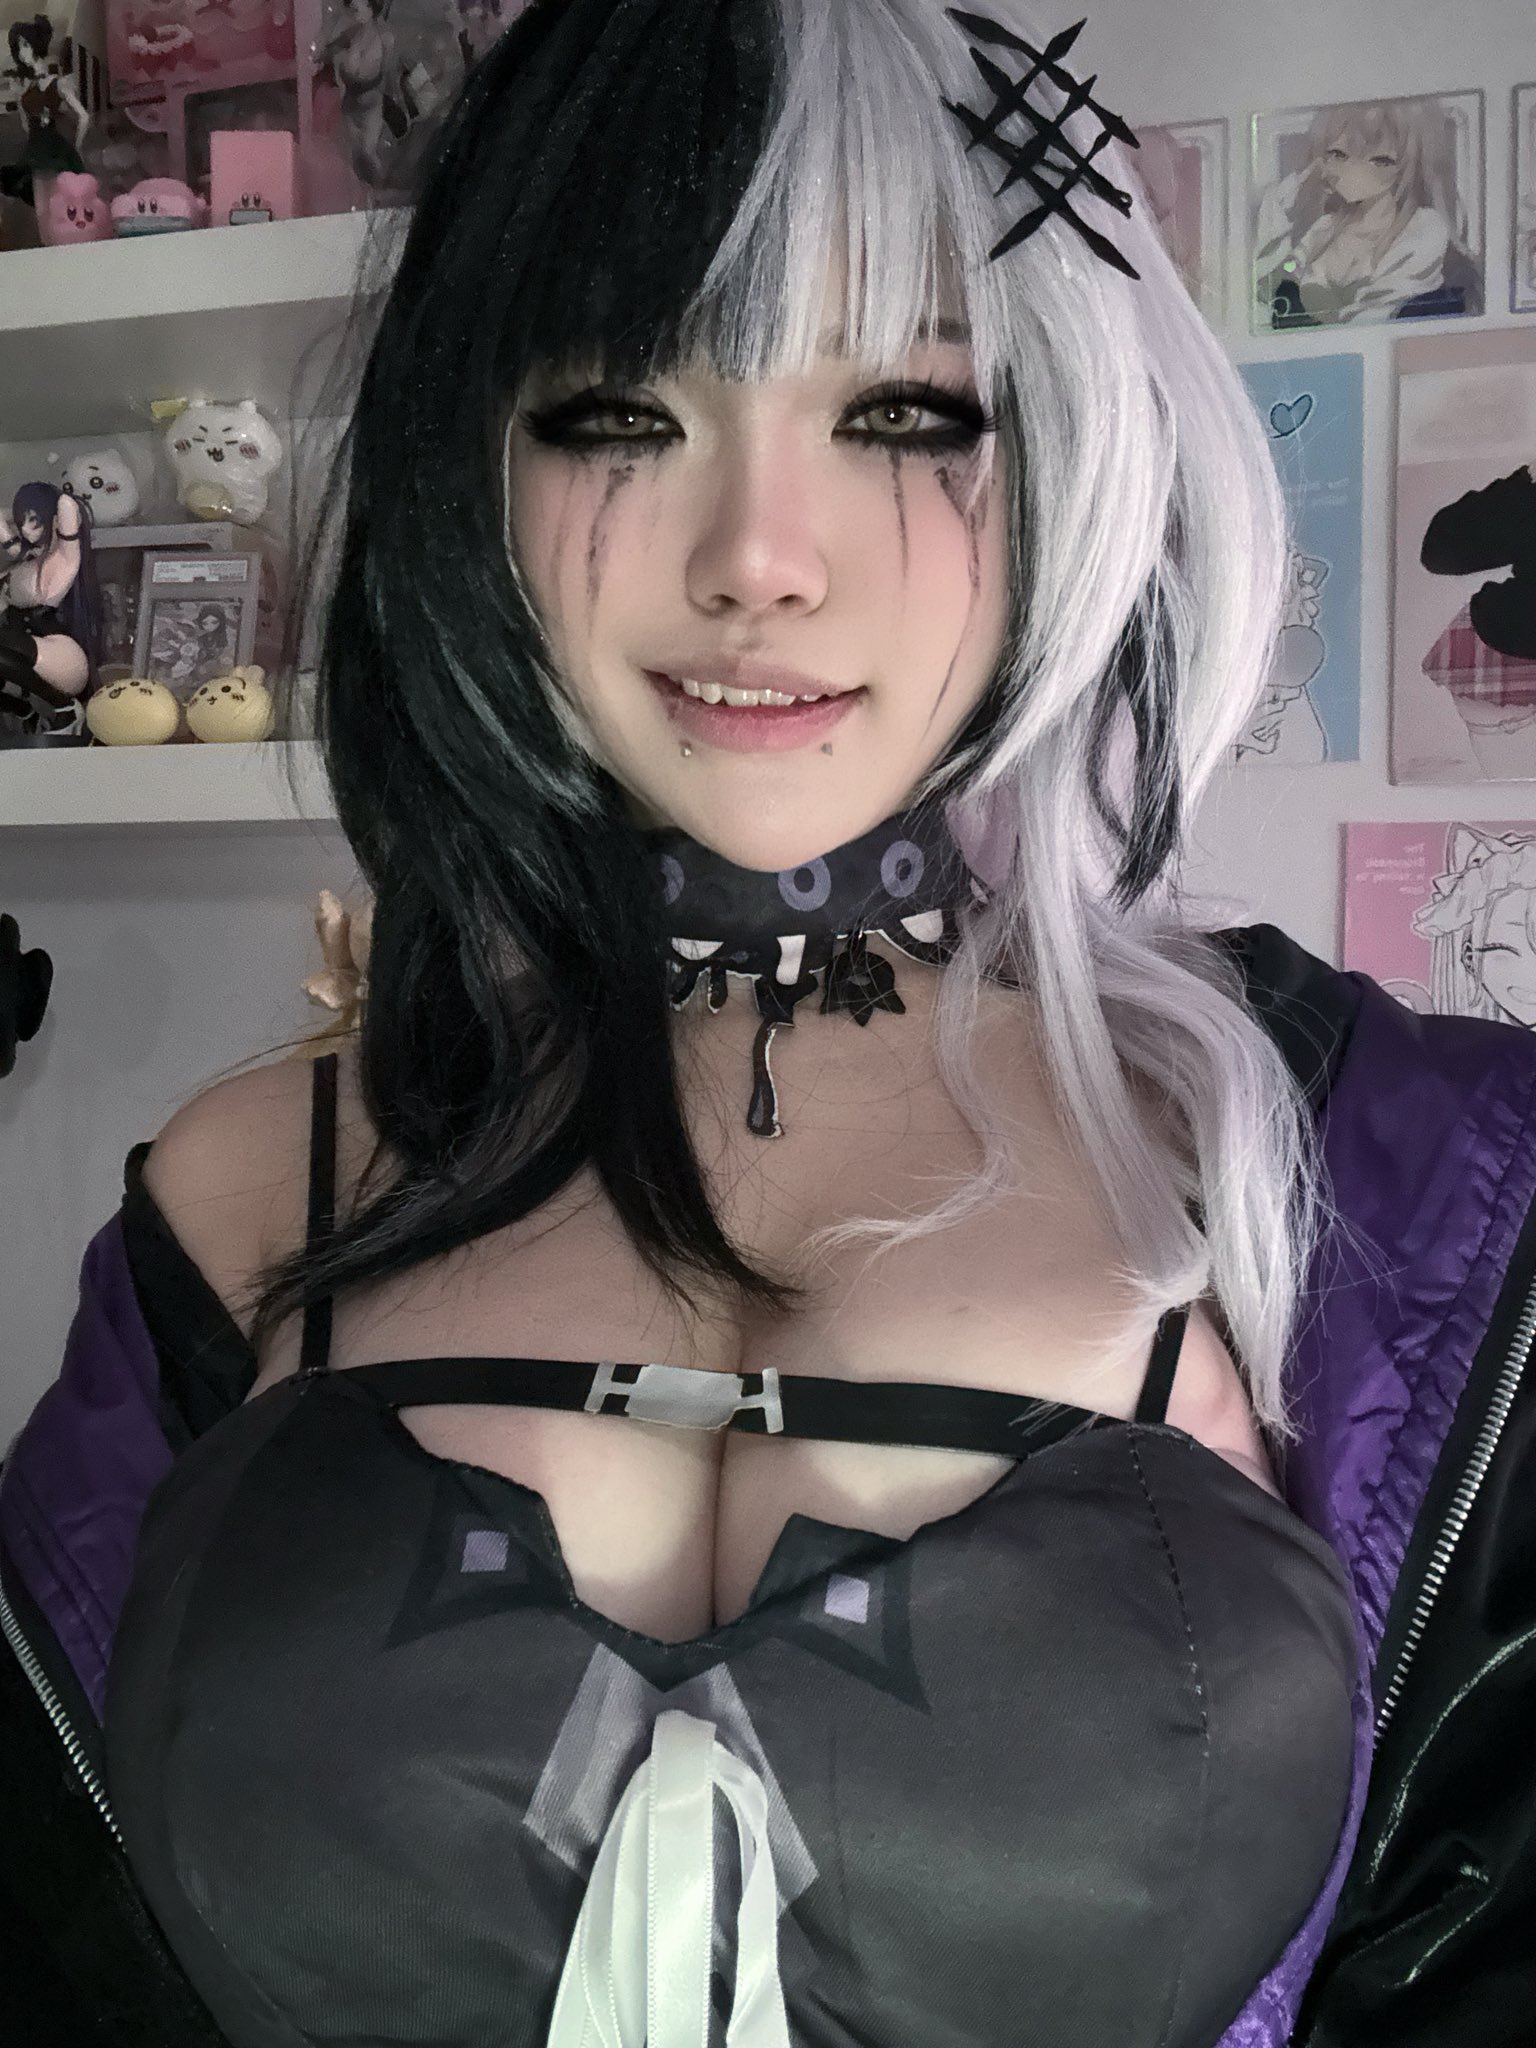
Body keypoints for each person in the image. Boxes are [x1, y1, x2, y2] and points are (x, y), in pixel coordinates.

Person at [1, 3, 1533, 2043]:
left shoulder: (1403, 1193)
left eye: (902, 409)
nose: (757, 563)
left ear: (1072, 435)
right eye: (618, 409)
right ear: (478, 455)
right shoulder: (235, 1204)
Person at [0, 479, 99, 745]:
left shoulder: (63, 557)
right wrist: (17, 531)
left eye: (34, 520)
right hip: (25, 645)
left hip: (60, 655)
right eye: (21, 521)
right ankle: (23, 711)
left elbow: (66, 506)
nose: (25, 529)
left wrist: (48, 499)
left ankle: (66, 709)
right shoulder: (25, 560)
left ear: (53, 519)